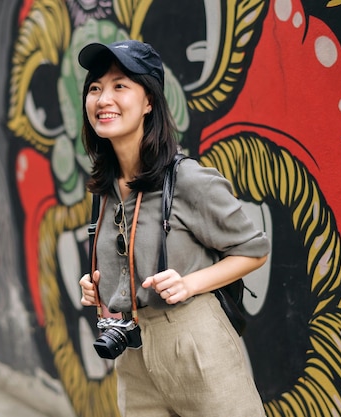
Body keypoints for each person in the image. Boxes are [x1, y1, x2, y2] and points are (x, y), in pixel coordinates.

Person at [77, 39, 270, 417]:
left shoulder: (187, 180)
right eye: (95, 88)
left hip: (196, 345)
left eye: (120, 86)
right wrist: (98, 285)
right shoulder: (106, 188)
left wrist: (190, 283)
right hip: (134, 354)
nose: (103, 99)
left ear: (148, 101)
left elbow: (254, 249)